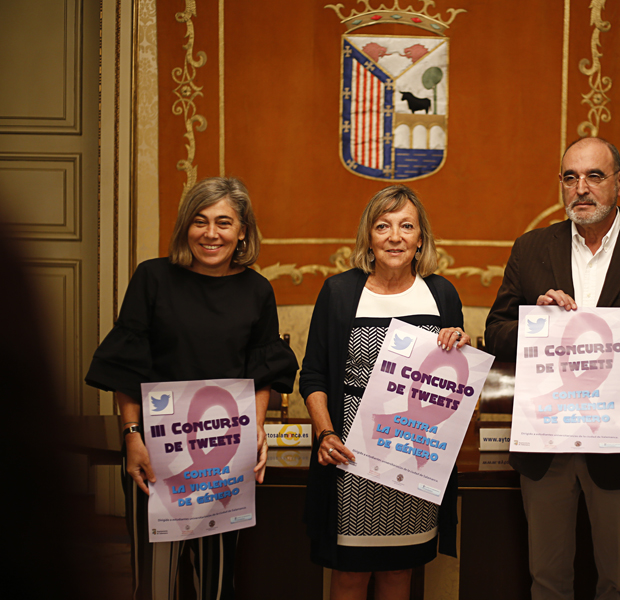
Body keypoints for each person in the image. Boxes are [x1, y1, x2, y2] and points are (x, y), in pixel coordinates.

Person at [484, 137, 620, 600]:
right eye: (570, 177)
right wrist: (534, 319)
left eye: (594, 176)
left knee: (618, 583)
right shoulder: (531, 249)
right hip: (546, 446)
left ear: (619, 183)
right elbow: (496, 331)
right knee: (546, 579)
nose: (581, 188)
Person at [85, 177, 299, 599]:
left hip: (224, 455)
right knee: (155, 582)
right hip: (153, 452)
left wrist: (254, 430)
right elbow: (126, 367)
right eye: (200, 221)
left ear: (242, 231)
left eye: (224, 222)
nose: (211, 233)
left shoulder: (257, 290)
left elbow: (261, 371)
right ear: (186, 226)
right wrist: (131, 436)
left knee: (217, 582)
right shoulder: (152, 278)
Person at [300, 184, 469, 600]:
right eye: (383, 226)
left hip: (414, 458)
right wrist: (325, 435)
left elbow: (456, 380)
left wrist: (459, 345)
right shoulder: (339, 293)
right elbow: (314, 376)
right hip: (351, 460)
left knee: (399, 572)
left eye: (406, 226)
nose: (395, 236)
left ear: (420, 238)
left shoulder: (442, 294)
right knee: (349, 576)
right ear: (369, 238)